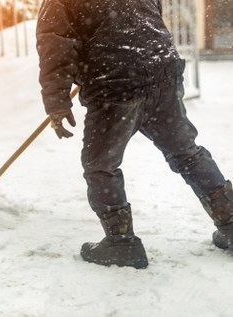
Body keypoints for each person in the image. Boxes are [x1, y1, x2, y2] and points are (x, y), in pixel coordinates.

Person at [35, 0, 233, 269]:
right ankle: (230, 223)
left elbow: (55, 44)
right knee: (187, 152)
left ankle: (121, 244)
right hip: (161, 69)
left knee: (100, 165)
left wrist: (57, 102)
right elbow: (151, 14)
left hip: (114, 84)